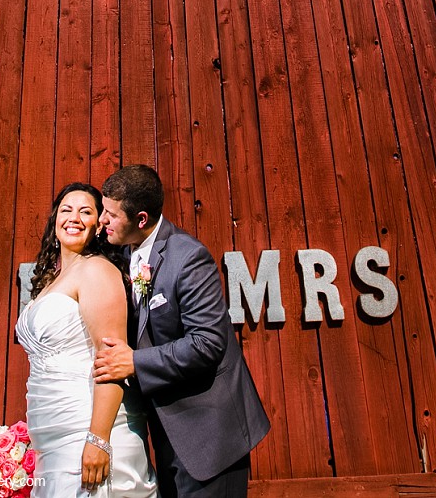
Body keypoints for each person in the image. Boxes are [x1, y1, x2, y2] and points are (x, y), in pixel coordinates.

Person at [93, 166, 269, 498]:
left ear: (141, 219)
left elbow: (207, 343)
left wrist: (135, 362)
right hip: (165, 434)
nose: (103, 219)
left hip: (210, 434)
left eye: (111, 214)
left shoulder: (187, 257)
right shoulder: (122, 251)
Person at [16, 182, 157, 498]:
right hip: (51, 440)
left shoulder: (96, 271)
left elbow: (111, 362)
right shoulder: (51, 282)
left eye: (86, 211)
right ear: (55, 221)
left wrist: (98, 439)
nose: (74, 217)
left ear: (98, 226)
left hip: (86, 432)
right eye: (66, 210)